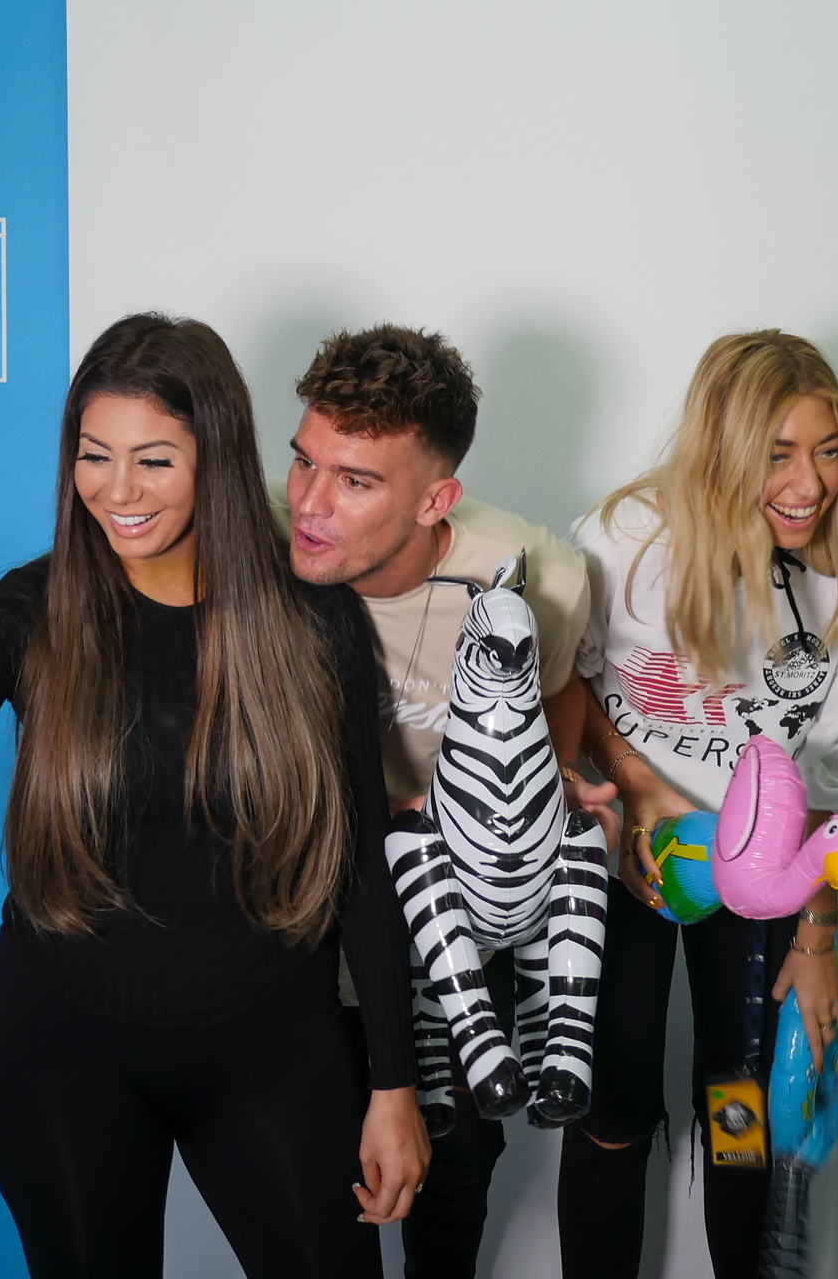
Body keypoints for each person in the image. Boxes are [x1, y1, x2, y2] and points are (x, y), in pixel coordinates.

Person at [0, 314, 429, 1279]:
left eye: (153, 460)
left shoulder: (315, 616)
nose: (117, 489)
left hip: (273, 1045)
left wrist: (394, 1085)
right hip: (63, 1054)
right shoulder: (29, 611)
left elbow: (360, 863)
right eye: (93, 455)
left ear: (217, 458)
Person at [552, 329, 838, 1279]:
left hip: (768, 875)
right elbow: (565, 685)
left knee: (738, 1107)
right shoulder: (622, 544)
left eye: (828, 451)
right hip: (626, 853)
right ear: (721, 450)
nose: (808, 483)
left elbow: (834, 790)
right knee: (613, 1106)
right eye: (777, 454)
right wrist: (636, 787)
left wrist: (817, 934)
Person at [276, 323, 598, 1279]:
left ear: (435, 501)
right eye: (303, 462)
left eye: (354, 481)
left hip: (457, 912)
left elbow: (560, 689)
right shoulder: (260, 553)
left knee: (457, 1157)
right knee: (317, 1164)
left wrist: (540, 803)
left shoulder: (535, 574)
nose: (310, 504)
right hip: (311, 912)